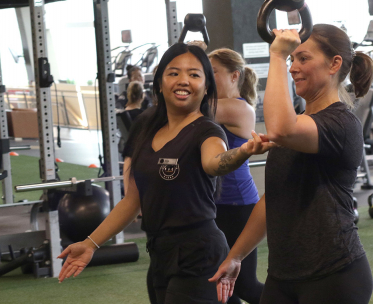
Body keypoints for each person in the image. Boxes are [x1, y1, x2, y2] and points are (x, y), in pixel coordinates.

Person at [58, 43, 274, 304]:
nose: (183, 80)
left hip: (199, 252)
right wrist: (91, 243)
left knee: (246, 286)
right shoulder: (147, 129)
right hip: (159, 252)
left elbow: (215, 163)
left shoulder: (207, 130)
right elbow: (132, 200)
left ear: (207, 88)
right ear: (159, 82)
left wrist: (243, 152)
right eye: (174, 73)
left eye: (194, 74)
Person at [210, 25, 373, 304]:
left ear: (334, 64)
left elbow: (280, 129)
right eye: (291, 59)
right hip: (283, 276)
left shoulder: (341, 122)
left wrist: (276, 55)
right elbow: (274, 197)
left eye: (303, 59)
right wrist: (236, 256)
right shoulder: (299, 123)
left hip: (334, 275)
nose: (292, 67)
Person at [208, 48, 264, 304]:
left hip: (238, 205)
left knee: (245, 286)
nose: (207, 77)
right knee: (221, 283)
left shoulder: (238, 109)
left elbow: (188, 106)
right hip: (214, 204)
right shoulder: (217, 104)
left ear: (234, 76)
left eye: (212, 72)